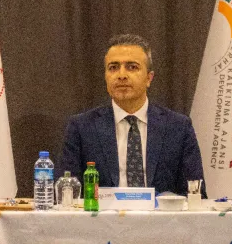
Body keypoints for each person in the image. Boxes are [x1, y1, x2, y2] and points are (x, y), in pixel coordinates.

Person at [60, 34, 205, 195]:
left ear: (149, 78)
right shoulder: (82, 128)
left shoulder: (178, 127)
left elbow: (195, 194)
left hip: (159, 212)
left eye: (132, 67)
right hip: (101, 212)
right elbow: (67, 194)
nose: (121, 75)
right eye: (113, 68)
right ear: (105, 76)